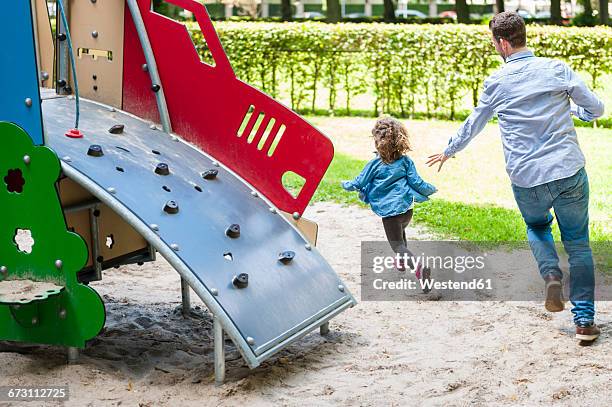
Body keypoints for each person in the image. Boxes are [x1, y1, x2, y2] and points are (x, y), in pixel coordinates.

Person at [426, 11, 605, 341]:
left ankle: (550, 273)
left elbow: (474, 124)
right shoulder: (556, 69)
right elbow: (596, 109)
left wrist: (449, 150)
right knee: (578, 245)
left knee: (537, 226)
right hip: (567, 172)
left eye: (494, 43)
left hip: (527, 178)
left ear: (503, 43)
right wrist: (575, 112)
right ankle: (584, 322)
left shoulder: (496, 82)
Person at [342, 117, 437, 291]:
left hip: (390, 213)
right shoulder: (406, 161)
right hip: (407, 210)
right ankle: (401, 262)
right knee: (401, 234)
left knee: (397, 245)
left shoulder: (375, 164)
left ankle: (418, 267)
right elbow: (416, 182)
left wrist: (346, 184)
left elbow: (359, 181)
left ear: (378, 141)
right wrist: (429, 189)